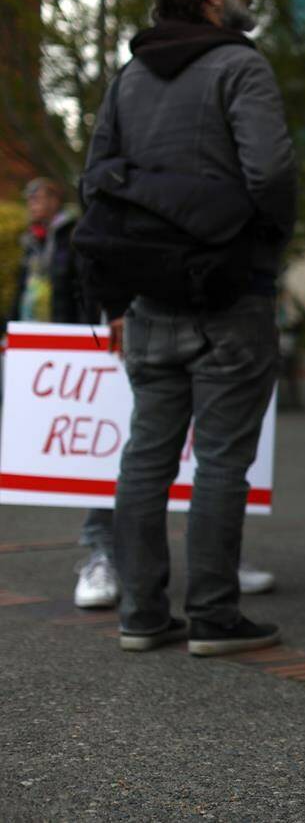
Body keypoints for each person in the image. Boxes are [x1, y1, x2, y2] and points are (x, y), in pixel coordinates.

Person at [80, 0, 296, 654]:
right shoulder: (239, 66)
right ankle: (212, 614)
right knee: (223, 460)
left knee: (146, 454)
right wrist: (262, 248)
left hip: (148, 295)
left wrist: (119, 286)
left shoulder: (129, 77)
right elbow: (270, 174)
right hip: (231, 295)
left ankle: (142, 612)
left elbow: (96, 182)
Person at [11, 178, 119, 608]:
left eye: (37, 196)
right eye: (28, 197)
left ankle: (220, 555)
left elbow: (81, 289)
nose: (32, 204)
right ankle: (102, 549)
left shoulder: (72, 235)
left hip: (74, 338)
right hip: (41, 340)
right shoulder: (32, 240)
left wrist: (84, 337)